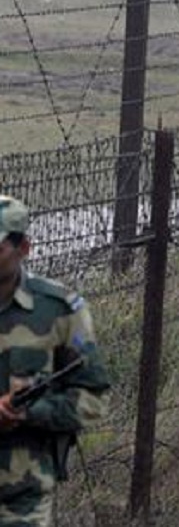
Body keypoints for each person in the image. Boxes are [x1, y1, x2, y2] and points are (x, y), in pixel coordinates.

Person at [0, 195, 111, 525]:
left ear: (24, 249)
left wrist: (28, 412)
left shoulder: (58, 310)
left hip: (20, 497)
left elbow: (94, 398)